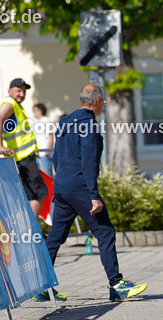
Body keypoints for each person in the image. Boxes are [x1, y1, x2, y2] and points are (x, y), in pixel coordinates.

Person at [39, 84, 147, 303]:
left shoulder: (65, 122)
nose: (104, 105)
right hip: (81, 189)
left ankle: (42, 288)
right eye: (104, 102)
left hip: (61, 188)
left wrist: (63, 180)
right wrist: (94, 195)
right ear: (97, 102)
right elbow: (89, 164)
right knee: (105, 233)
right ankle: (116, 285)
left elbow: (57, 158)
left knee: (55, 238)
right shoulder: (88, 126)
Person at [0, 78, 47, 216]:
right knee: (38, 194)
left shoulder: (15, 106)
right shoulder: (9, 104)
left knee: (28, 197)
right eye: (18, 90)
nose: (22, 94)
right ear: (9, 91)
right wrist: (0, 146)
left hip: (22, 160)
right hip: (24, 160)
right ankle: (30, 232)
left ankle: (27, 232)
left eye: (24, 91)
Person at [31, 103, 55, 177]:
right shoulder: (37, 122)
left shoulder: (46, 121)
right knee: (41, 176)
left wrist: (47, 151)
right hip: (38, 153)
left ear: (40, 111)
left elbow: (51, 136)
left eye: (35, 110)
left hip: (45, 153)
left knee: (48, 174)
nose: (34, 113)